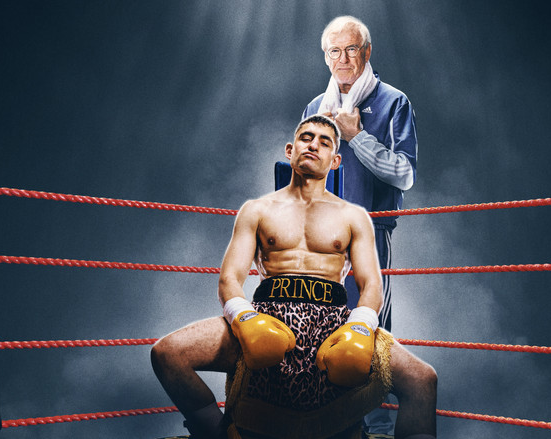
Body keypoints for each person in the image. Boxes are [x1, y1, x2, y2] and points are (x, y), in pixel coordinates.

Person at [151, 115, 436, 439]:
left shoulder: (354, 217)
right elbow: (229, 278)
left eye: (324, 142)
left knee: (422, 380)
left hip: (333, 324)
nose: (313, 145)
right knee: (168, 354)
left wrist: (359, 327)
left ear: (335, 161)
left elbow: (371, 284)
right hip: (268, 318)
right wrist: (245, 318)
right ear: (290, 150)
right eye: (306, 138)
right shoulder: (256, 210)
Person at [302, 16, 419, 434]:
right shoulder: (316, 107)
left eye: (351, 49)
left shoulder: (394, 101)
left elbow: (405, 174)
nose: (343, 59)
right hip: (319, 239)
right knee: (317, 330)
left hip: (371, 234)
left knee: (366, 329)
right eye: (334, 51)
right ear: (325, 57)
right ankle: (331, 425)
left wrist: (355, 137)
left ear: (366, 52)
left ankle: (378, 429)